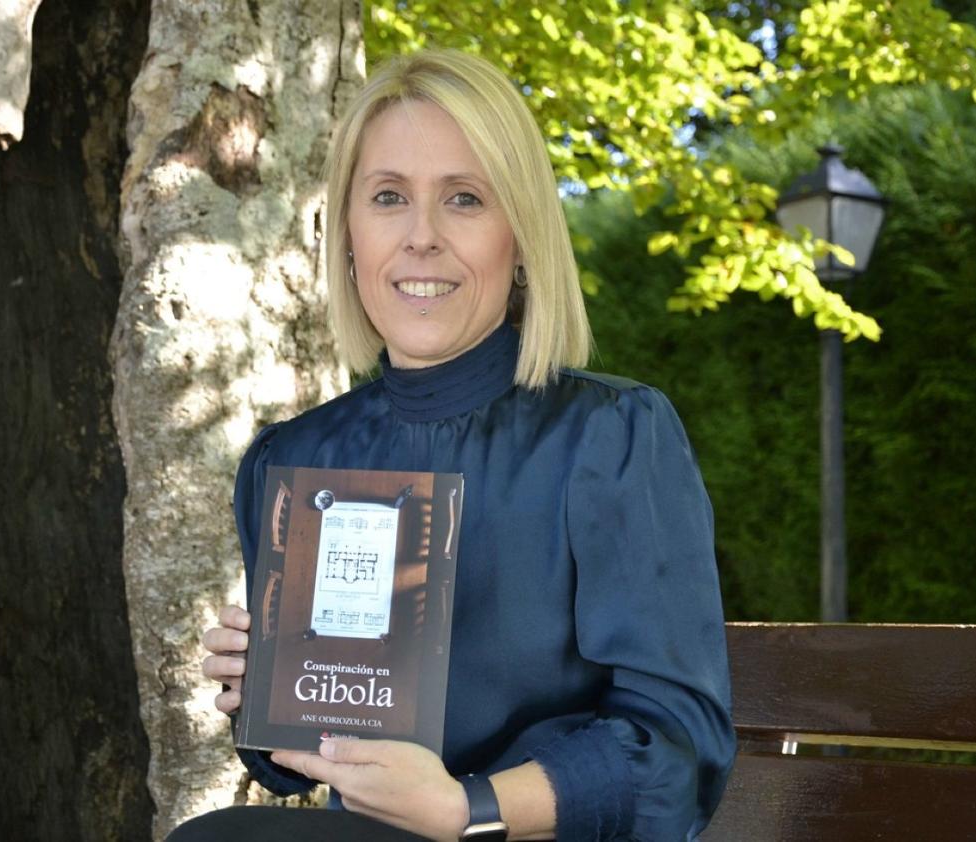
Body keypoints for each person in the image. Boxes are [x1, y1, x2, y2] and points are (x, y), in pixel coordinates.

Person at [196, 49, 735, 842]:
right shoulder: (297, 460)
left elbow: (675, 755)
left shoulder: (611, 437)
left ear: (521, 237)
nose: (422, 237)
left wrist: (466, 809)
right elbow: (299, 760)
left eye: (464, 199)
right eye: (388, 197)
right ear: (347, 234)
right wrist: (267, 696)